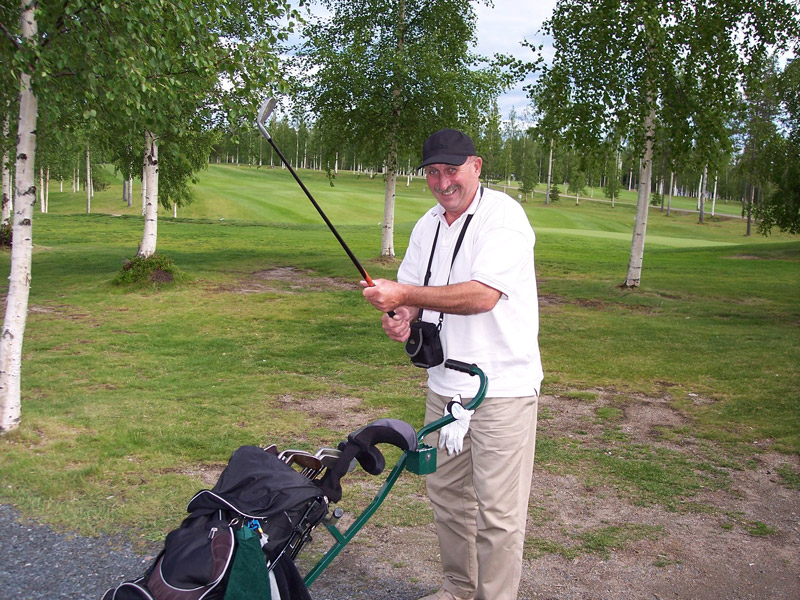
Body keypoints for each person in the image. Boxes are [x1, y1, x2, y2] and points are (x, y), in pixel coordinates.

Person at [361, 128, 543, 600]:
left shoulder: (504, 217)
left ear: (476, 167)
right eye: (433, 172)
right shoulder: (427, 226)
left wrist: (406, 295)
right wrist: (401, 316)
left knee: (499, 515)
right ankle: (458, 590)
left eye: (452, 170)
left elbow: (483, 296)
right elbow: (412, 295)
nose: (443, 182)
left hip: (502, 388)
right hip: (446, 386)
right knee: (446, 497)